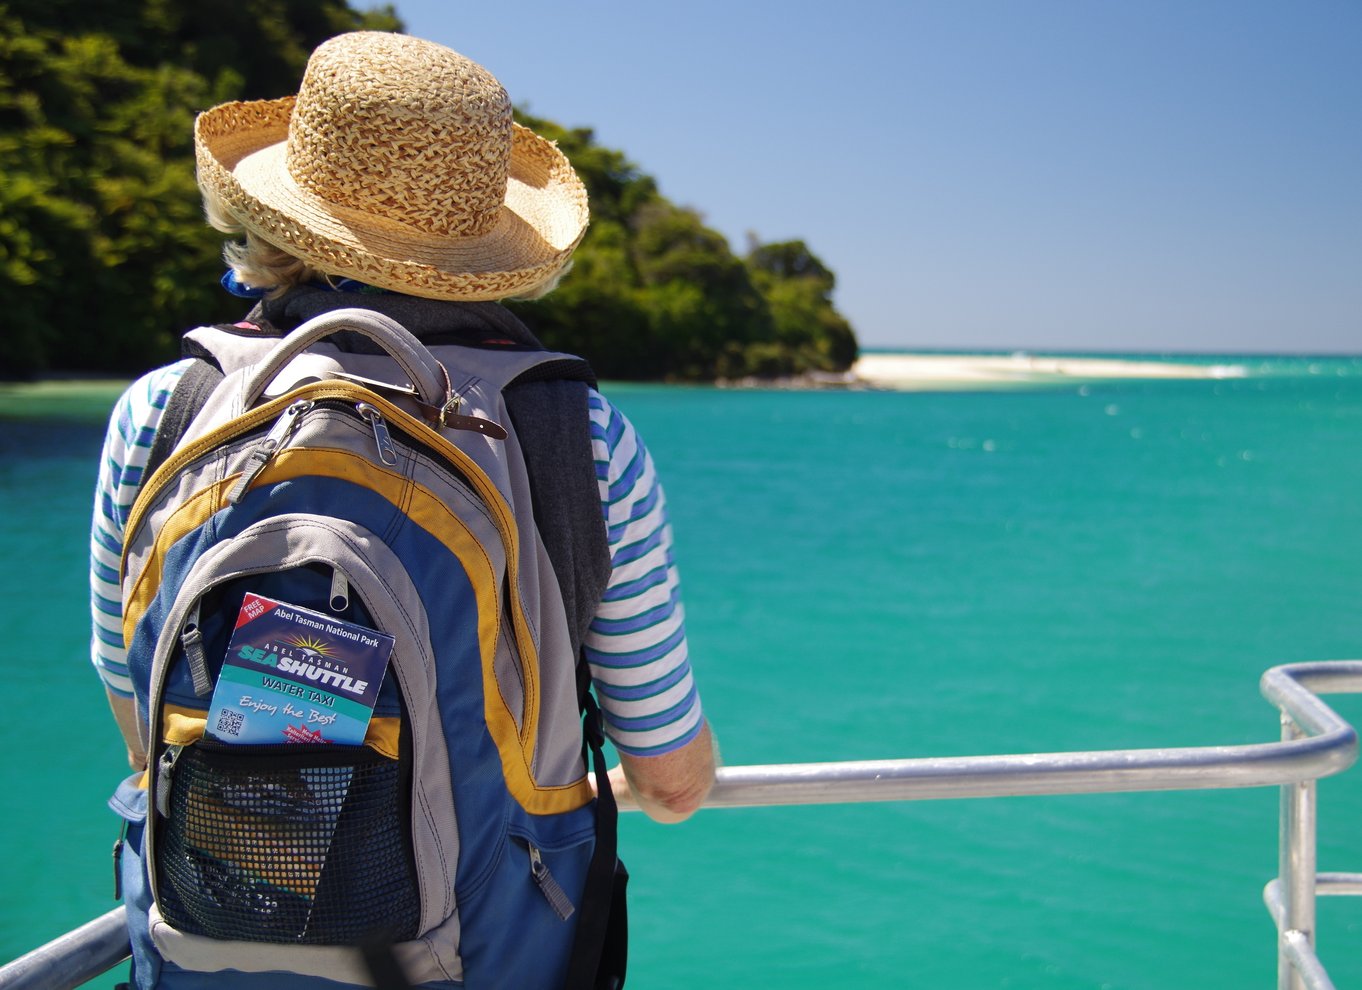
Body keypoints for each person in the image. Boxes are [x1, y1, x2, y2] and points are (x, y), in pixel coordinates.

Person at [89, 31, 715, 833]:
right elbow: (669, 778)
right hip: (491, 949)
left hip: (208, 927)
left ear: (267, 215)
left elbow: (136, 706)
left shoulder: (165, 408)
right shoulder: (580, 437)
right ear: (491, 247)